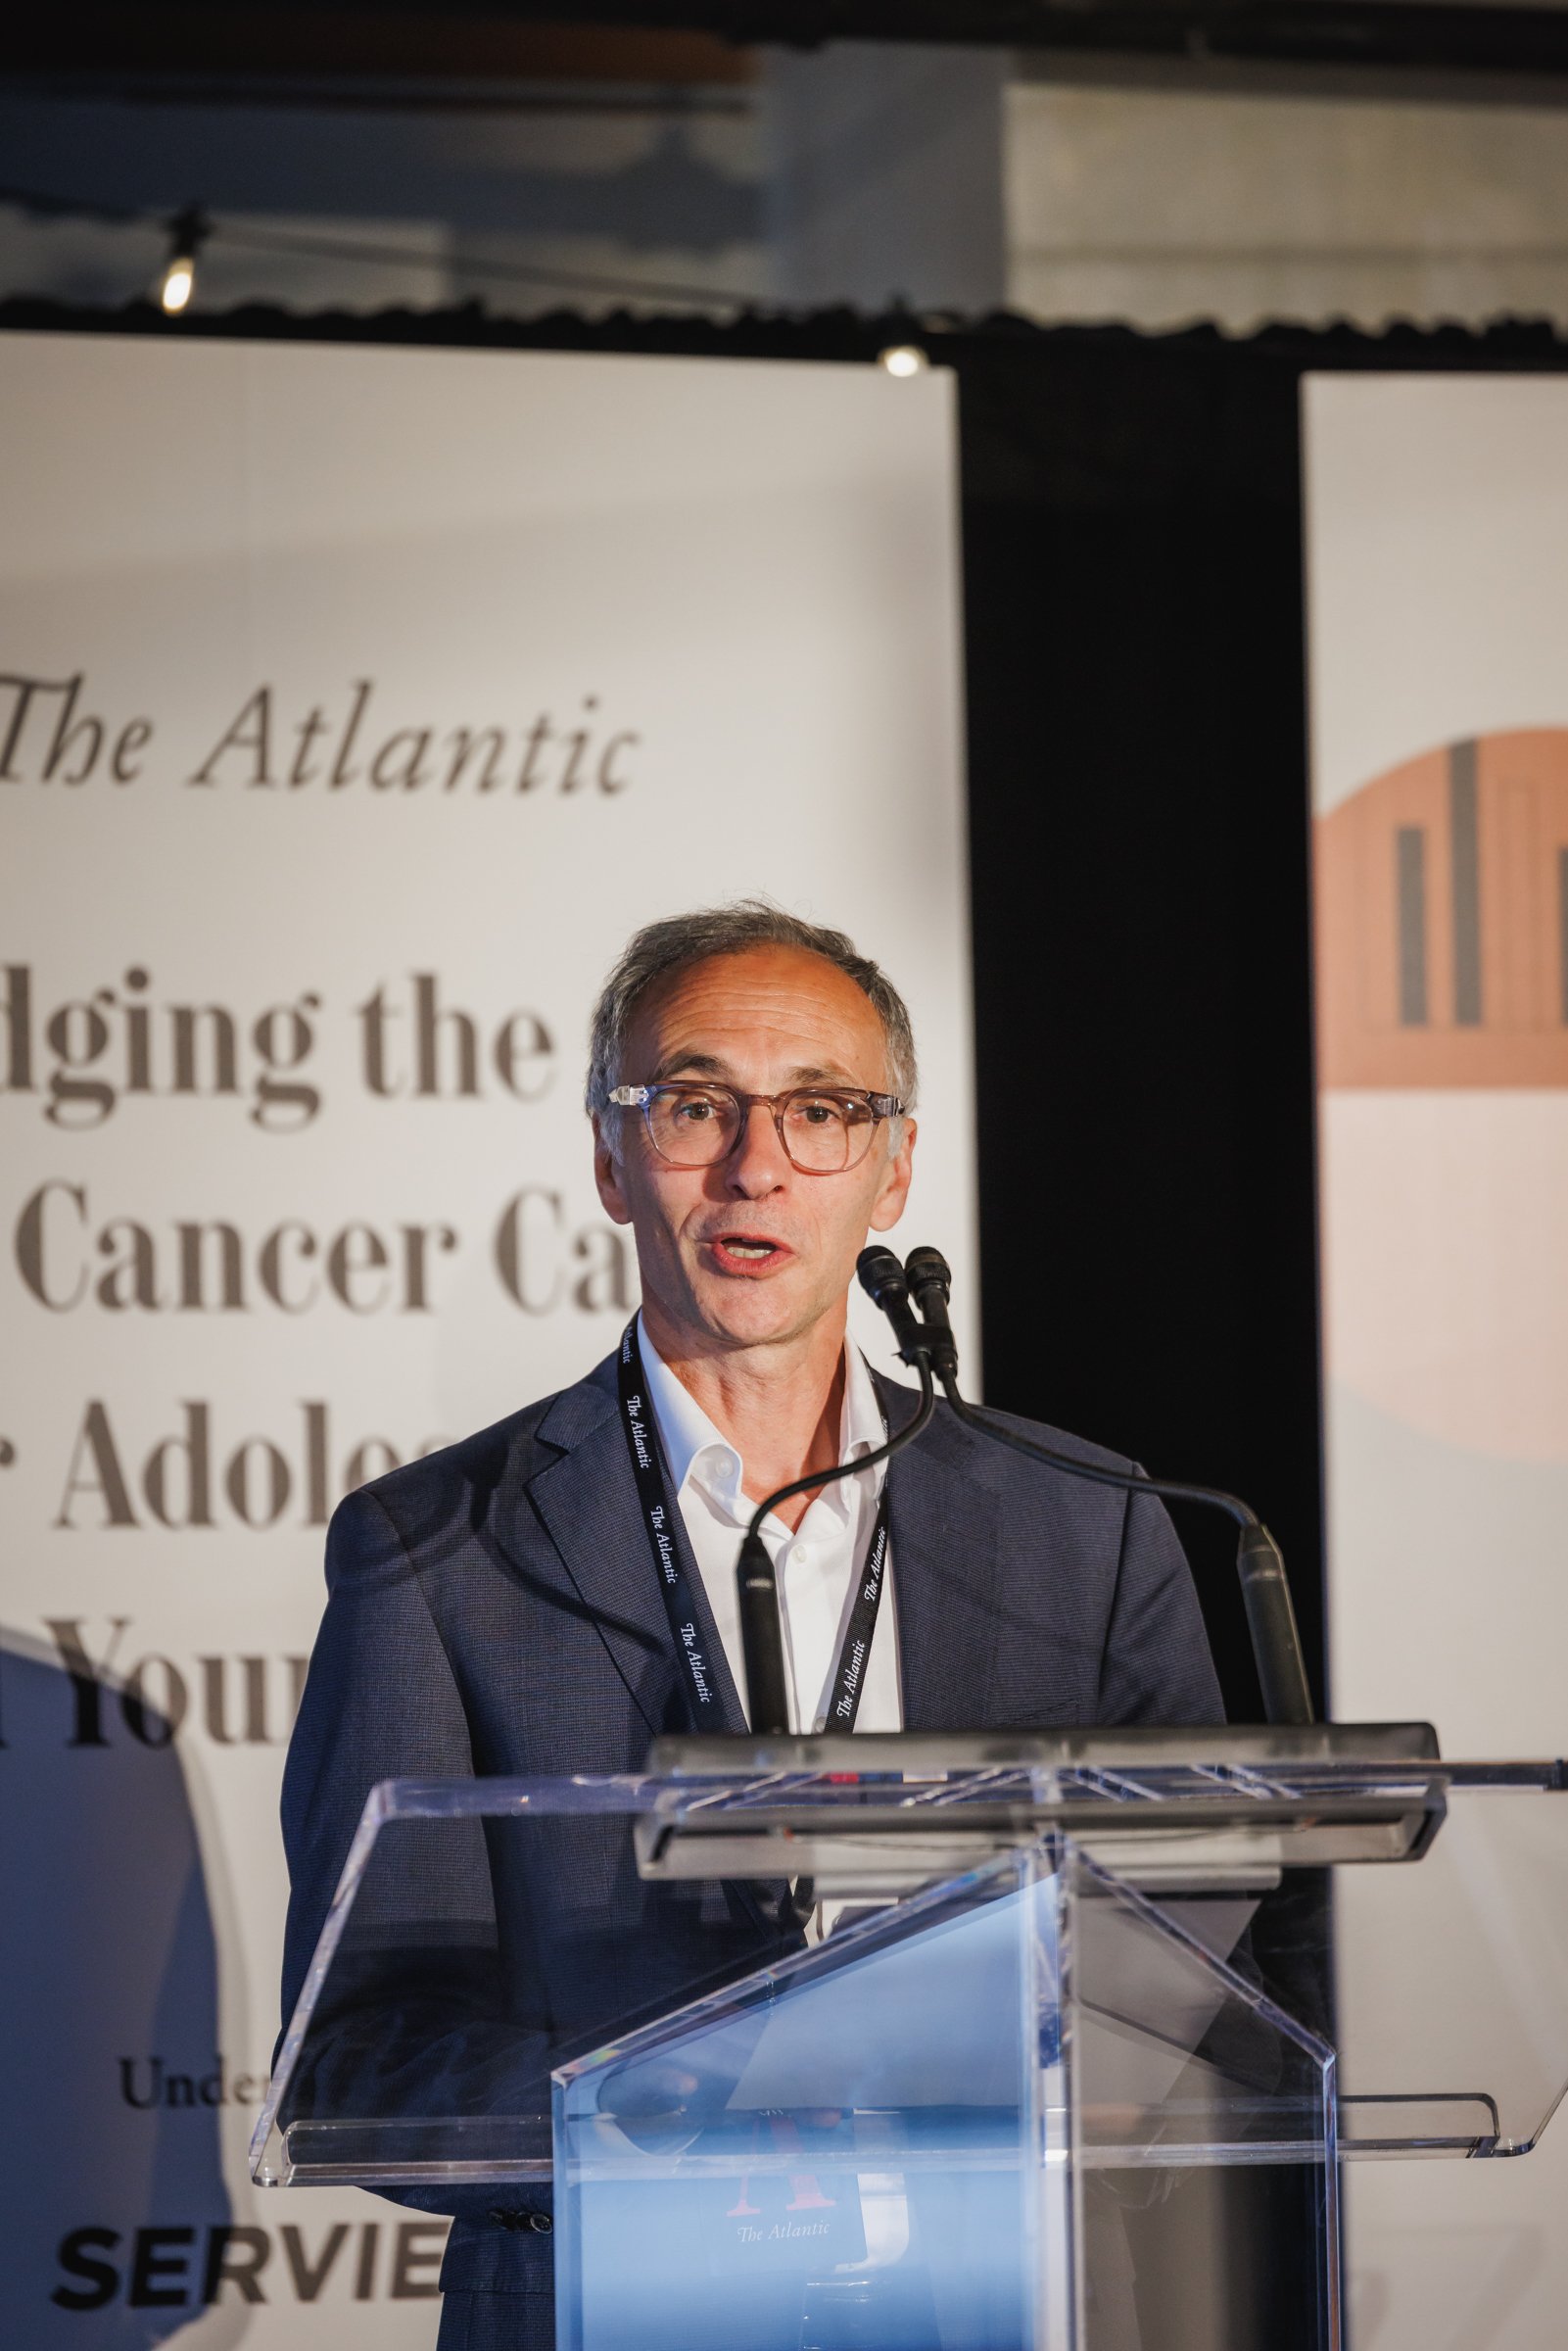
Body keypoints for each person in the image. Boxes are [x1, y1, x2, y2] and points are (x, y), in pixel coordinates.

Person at [279, 900, 1222, 2350]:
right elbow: (367, 2051)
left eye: (822, 1110)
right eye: (693, 1105)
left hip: (1016, 2298)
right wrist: (666, 2112)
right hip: (608, 2303)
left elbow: (1212, 1941)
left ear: (894, 1165)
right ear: (608, 1157)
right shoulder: (435, 1551)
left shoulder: (1082, 1522)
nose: (755, 1165)